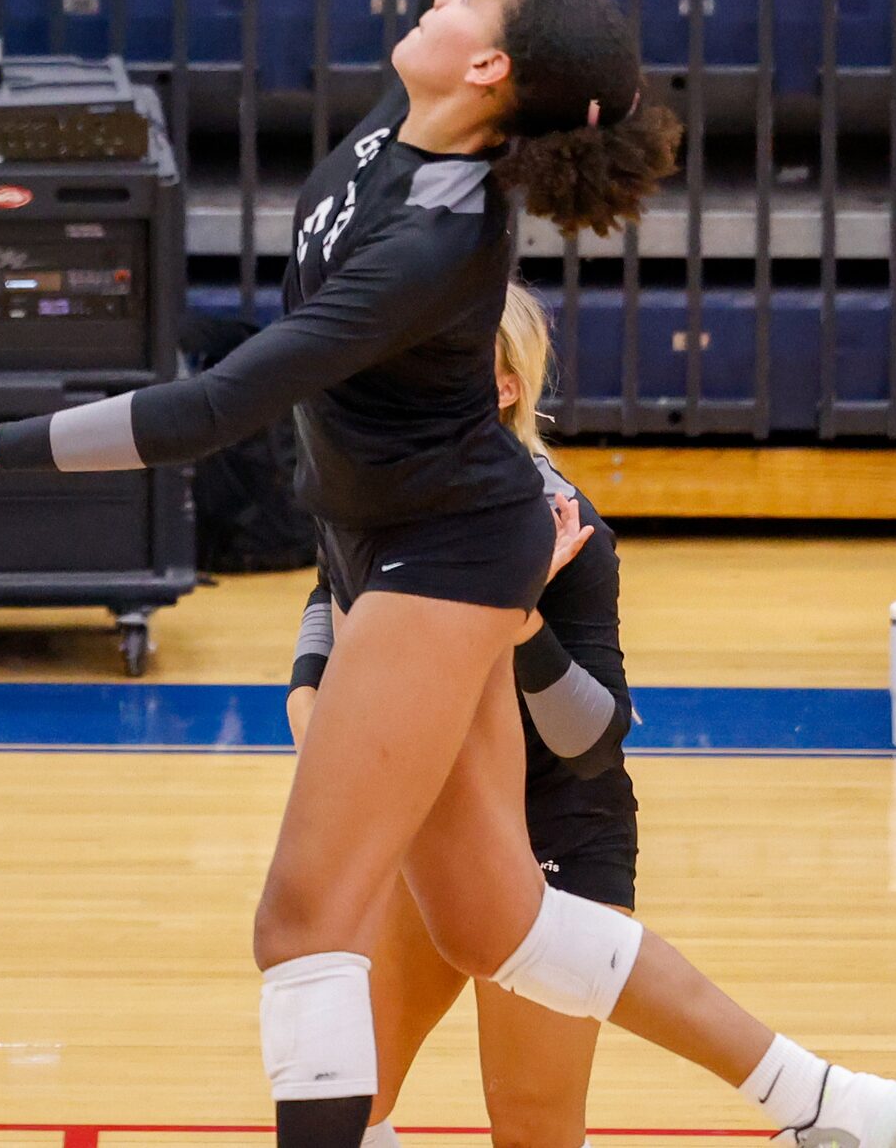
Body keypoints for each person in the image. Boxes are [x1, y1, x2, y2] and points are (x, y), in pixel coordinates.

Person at [0, 0, 896, 1148]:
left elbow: (219, 403)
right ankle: (823, 1103)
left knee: (302, 918)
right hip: (387, 542)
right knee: (491, 917)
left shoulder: (439, 236)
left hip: (444, 551)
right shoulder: (414, 111)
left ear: (488, 65)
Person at [287, 284, 638, 1148]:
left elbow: (592, 745)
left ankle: (810, 1097)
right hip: (433, 824)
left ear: (504, 387)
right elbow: (329, 604)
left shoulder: (565, 525)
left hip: (555, 830)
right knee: (339, 1104)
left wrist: (519, 617)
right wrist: (323, 725)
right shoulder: (378, 493)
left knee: (530, 1125)